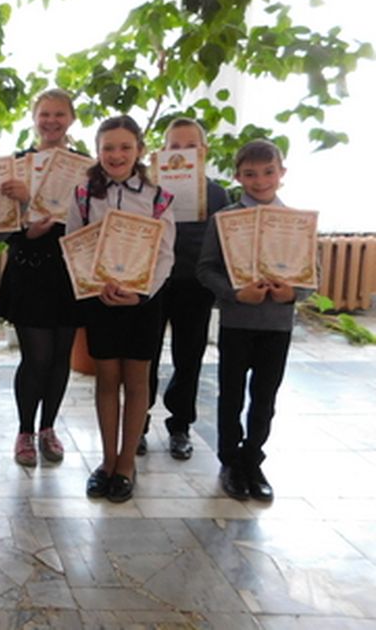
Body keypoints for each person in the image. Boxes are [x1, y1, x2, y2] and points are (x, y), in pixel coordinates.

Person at [66, 115, 175, 503]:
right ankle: (107, 461)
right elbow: (74, 244)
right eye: (108, 148)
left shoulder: (158, 197)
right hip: (101, 300)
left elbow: (165, 254)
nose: (116, 154)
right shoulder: (83, 195)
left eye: (125, 147)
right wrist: (96, 286)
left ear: (139, 150)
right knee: (107, 380)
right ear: (97, 151)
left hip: (143, 302)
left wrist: (141, 294)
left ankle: (127, 463)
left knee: (138, 381)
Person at [197, 139, 308, 502]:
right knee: (230, 395)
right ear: (237, 176)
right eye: (250, 174)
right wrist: (235, 293)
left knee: (265, 397)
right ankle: (230, 461)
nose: (260, 181)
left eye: (268, 172)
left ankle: (253, 459)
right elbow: (206, 269)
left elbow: (311, 276)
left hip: (277, 325)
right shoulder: (225, 220)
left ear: (282, 173)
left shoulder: (297, 223)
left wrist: (291, 293)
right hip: (237, 322)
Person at [0, 89, 83, 467]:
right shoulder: (17, 164)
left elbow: (92, 221)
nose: (51, 121)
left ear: (71, 119)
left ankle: (48, 427)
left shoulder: (86, 167)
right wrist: (25, 230)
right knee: (37, 357)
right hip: (29, 270)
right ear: (34, 118)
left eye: (59, 114)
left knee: (61, 357)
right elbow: (0, 225)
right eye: (44, 114)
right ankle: (25, 431)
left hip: (69, 271)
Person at [140, 118, 229, 459]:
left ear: (203, 151)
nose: (182, 154)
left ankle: (180, 425)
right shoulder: (147, 190)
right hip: (152, 282)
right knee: (144, 355)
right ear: (162, 152)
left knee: (189, 356)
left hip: (195, 284)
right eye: (174, 147)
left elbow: (223, 243)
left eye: (190, 147)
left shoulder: (217, 194)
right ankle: (138, 423)